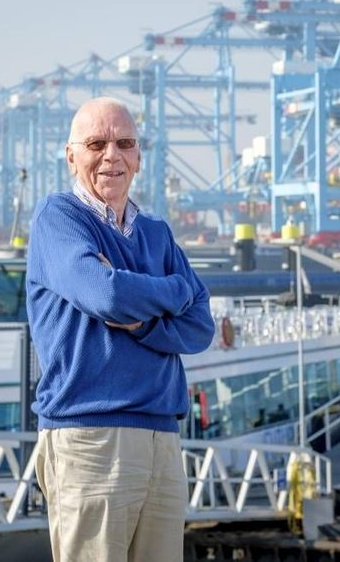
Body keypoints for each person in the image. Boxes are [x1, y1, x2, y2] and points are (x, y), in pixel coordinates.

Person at [26, 97, 215, 562]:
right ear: (71, 156)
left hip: (162, 437)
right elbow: (103, 295)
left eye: (124, 143)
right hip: (90, 436)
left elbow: (200, 325)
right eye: (96, 143)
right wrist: (174, 289)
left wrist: (137, 320)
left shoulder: (157, 232)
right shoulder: (59, 219)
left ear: (138, 157)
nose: (112, 155)